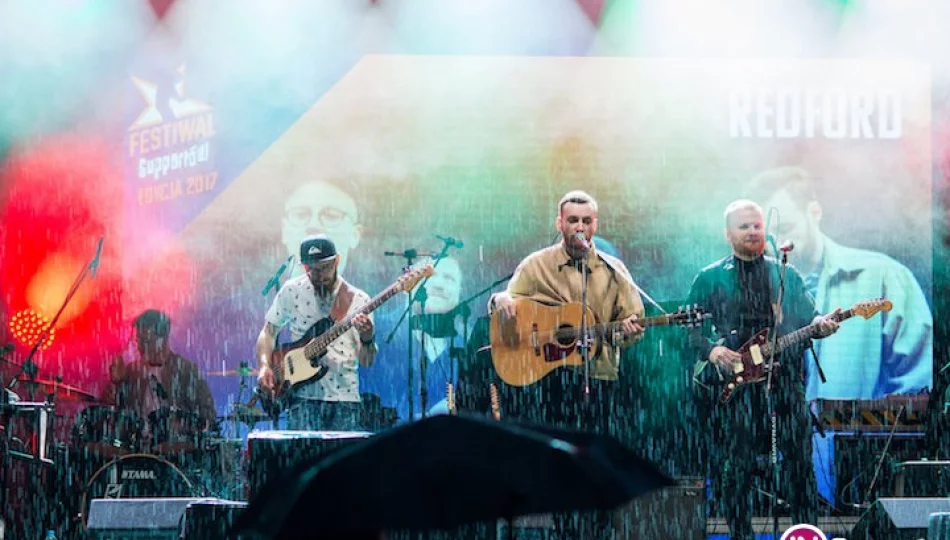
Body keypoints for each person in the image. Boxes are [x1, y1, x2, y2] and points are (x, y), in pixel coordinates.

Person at [490, 190, 646, 539]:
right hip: (552, 384)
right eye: (572, 220)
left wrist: (627, 332)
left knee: (600, 470)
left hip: (601, 381)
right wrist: (501, 300)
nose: (579, 227)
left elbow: (632, 327)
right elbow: (507, 302)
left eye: (586, 221)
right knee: (563, 472)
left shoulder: (614, 270)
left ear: (595, 225)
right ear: (559, 223)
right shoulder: (536, 264)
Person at [686, 200, 840, 540]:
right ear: (728, 234)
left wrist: (822, 324)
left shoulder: (784, 273)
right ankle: (742, 534)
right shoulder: (710, 277)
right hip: (737, 386)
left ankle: (805, 533)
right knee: (737, 465)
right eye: (744, 226)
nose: (753, 231)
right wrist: (712, 351)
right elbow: (688, 328)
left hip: (783, 379)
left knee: (799, 460)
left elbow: (809, 317)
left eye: (757, 225)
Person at [745, 166, 932, 401]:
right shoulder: (747, 286)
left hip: (852, 436)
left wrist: (868, 431)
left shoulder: (884, 276)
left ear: (814, 213)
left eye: (784, 229)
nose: (774, 245)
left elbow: (917, 383)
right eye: (764, 237)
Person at [257, 234, 376, 431]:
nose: (319, 275)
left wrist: (368, 339)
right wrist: (264, 366)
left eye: (325, 268)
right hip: (300, 399)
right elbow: (268, 332)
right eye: (312, 269)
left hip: (344, 400)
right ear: (305, 267)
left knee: (343, 462)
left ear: (337, 260)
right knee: (302, 462)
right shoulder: (292, 290)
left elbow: (367, 361)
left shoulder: (359, 300)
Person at [361, 256, 469, 422]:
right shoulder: (377, 331)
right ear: (409, 281)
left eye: (449, 278)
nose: (438, 285)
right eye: (429, 276)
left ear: (460, 293)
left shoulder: (464, 347)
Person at [103, 309, 217, 444]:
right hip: (138, 448)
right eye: (138, 340)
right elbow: (110, 413)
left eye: (146, 341)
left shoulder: (186, 371)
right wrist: (116, 383)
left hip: (175, 450)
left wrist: (183, 424)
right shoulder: (132, 372)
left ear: (163, 339)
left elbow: (208, 415)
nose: (139, 347)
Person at [281, 179, 363, 278]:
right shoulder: (262, 292)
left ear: (354, 235)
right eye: (300, 214)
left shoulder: (367, 292)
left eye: (330, 215)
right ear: (284, 231)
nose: (314, 225)